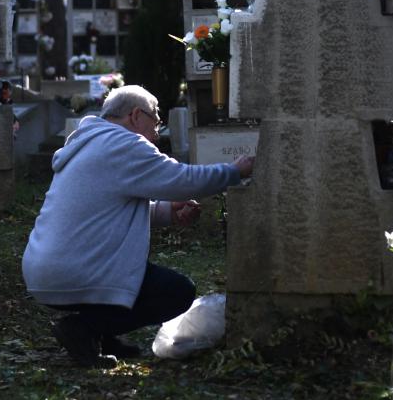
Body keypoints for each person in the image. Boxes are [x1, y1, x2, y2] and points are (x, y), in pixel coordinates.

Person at [23, 85, 255, 367]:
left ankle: (102, 334)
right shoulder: (123, 144)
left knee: (137, 276)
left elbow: (109, 210)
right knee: (176, 291)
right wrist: (233, 172)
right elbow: (181, 180)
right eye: (156, 120)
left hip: (47, 269)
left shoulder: (90, 142)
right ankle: (83, 329)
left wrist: (168, 212)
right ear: (135, 115)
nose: (157, 132)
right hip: (75, 270)